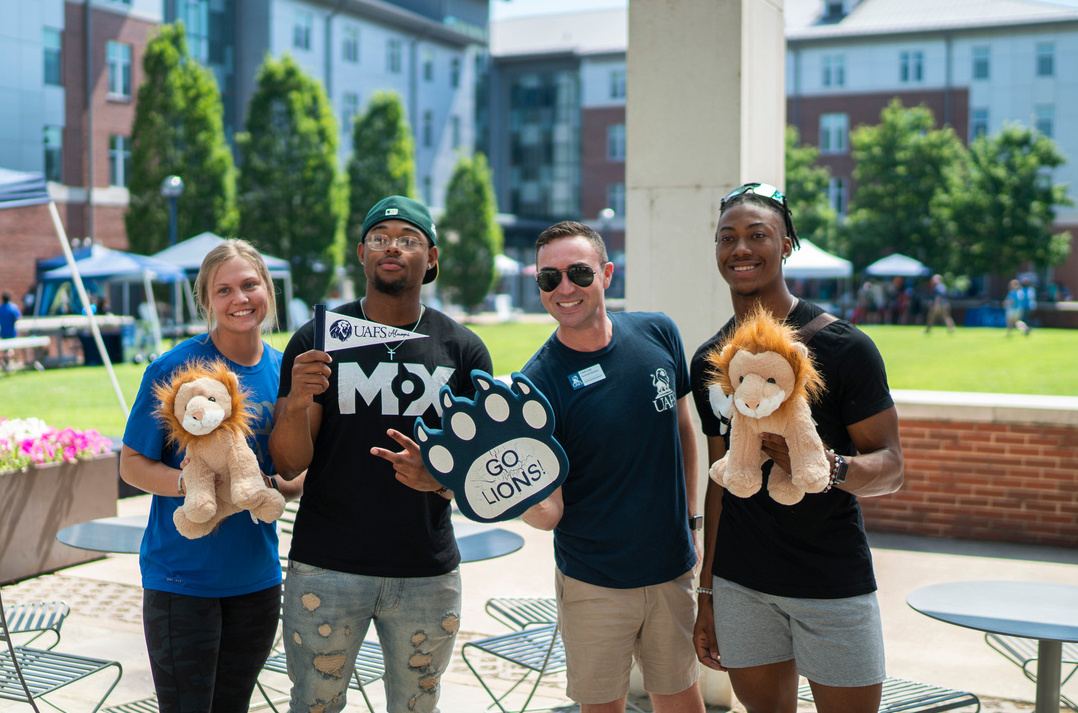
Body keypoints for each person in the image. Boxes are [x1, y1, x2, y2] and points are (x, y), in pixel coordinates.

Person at [269, 195, 492, 713]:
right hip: (327, 566)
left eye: (408, 239)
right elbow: (287, 464)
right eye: (379, 238)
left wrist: (436, 477)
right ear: (361, 254)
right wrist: (298, 402)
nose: (393, 246)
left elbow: (478, 472)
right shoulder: (318, 338)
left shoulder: (462, 349)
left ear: (432, 258)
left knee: (416, 707)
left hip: (426, 570)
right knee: (314, 706)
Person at [690, 183, 904, 713]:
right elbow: (721, 484)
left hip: (832, 582)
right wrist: (708, 592)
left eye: (757, 234)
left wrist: (829, 468)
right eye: (727, 237)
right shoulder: (710, 364)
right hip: (742, 586)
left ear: (786, 244)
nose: (740, 248)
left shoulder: (844, 347)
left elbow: (892, 467)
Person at [520, 221, 705, 713]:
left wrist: (692, 521)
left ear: (606, 274)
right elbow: (549, 512)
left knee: (682, 701)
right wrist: (494, 488)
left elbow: (683, 432)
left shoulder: (659, 331)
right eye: (548, 278)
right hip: (593, 583)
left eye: (578, 273)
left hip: (672, 571)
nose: (564, 288)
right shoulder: (534, 386)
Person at [120, 239, 302, 713]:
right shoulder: (173, 370)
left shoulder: (285, 372)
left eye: (249, 285)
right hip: (181, 580)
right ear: (206, 301)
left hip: (257, 582)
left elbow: (296, 473)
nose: (240, 299)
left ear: (268, 289)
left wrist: (272, 487)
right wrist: (191, 486)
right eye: (224, 290)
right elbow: (131, 465)